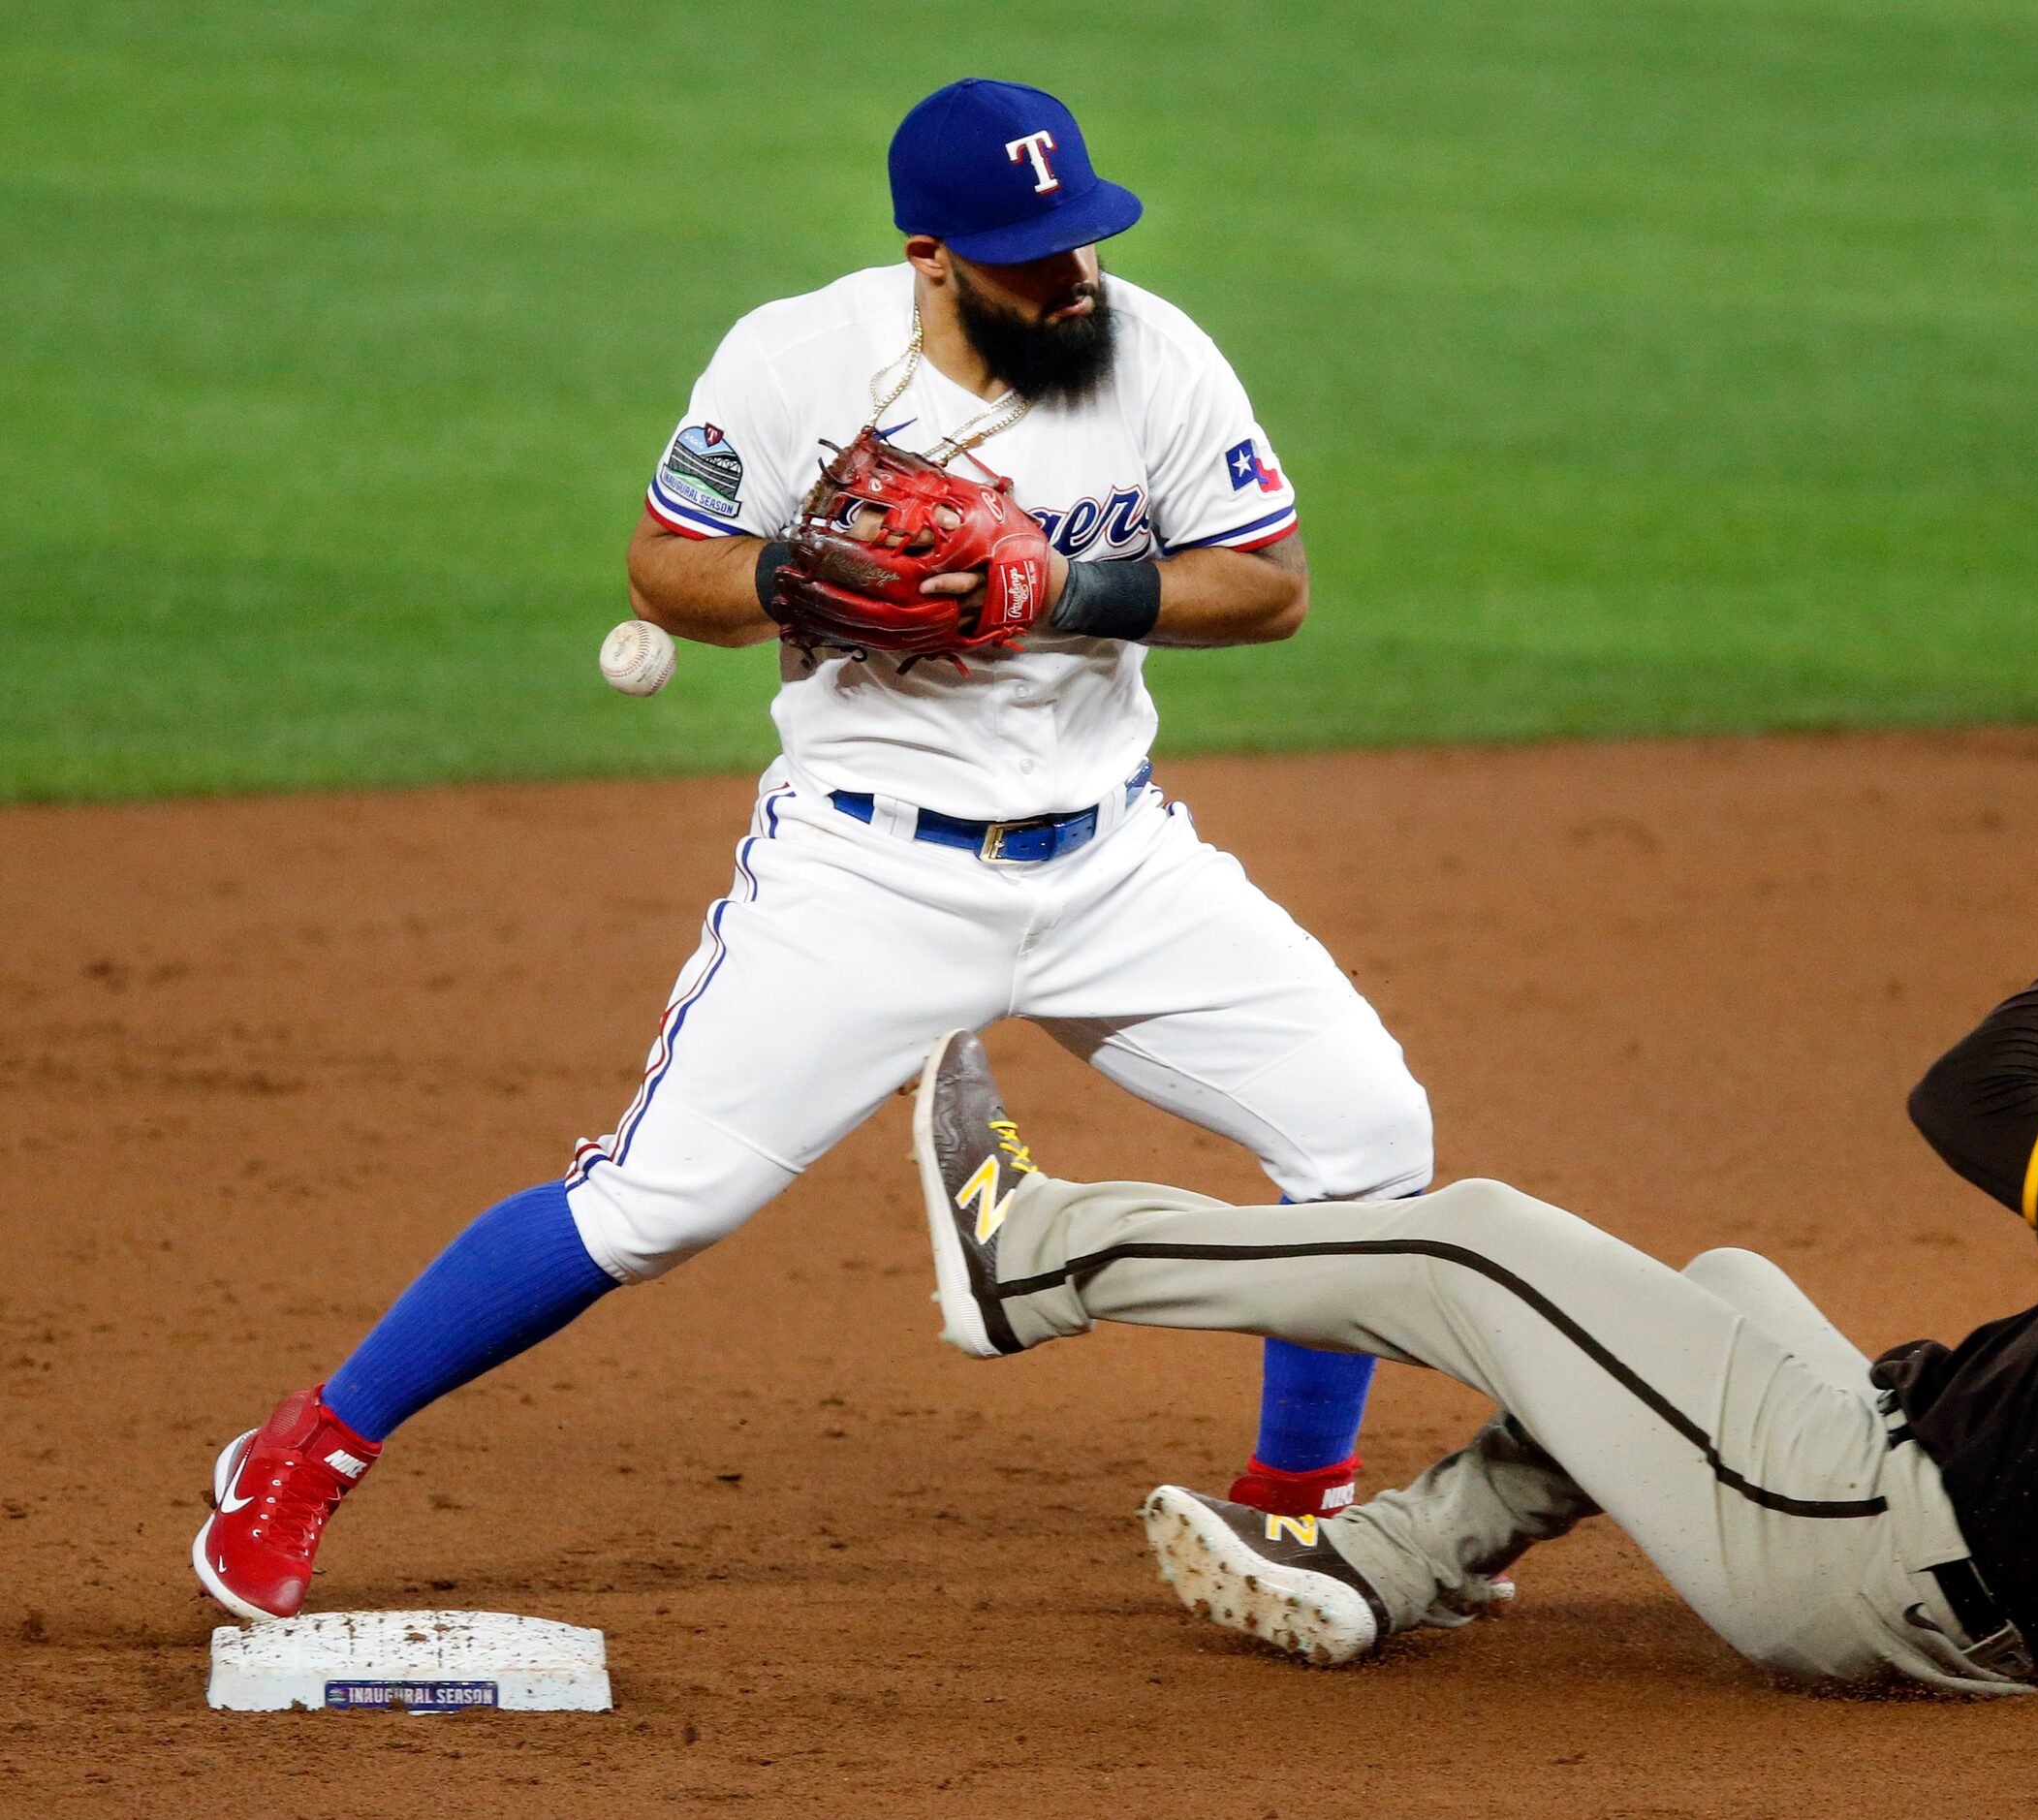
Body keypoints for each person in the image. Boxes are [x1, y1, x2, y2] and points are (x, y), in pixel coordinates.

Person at [192, 78, 1431, 1623]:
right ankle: (301, 1453)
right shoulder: (791, 361)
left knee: (1368, 1139)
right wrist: (792, 572)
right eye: (1031, 258)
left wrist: (1056, 589)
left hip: (1118, 867)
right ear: (930, 251)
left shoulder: (1159, 354)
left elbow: (1271, 586)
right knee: (658, 1204)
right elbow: (665, 566)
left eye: (1085, 241)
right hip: (869, 873)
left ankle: (1295, 1510)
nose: (1074, 280)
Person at [904, 798, 2038, 1688]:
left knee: (1481, 1245)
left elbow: (1971, 1097)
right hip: (1961, 1596)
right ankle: (1388, 1568)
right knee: (1721, 1289)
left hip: (1855, 1543)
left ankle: (1036, 1255)